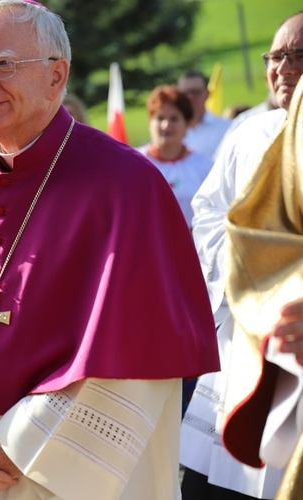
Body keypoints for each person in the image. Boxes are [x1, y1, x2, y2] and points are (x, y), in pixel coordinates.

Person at [0, 1, 219, 499]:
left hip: (64, 470)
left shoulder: (128, 186)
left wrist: (19, 441)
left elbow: (142, 356)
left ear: (57, 75)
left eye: (3, 65)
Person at [180, 11, 303, 499]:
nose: (282, 68)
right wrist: (242, 270)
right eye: (276, 56)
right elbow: (208, 210)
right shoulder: (250, 132)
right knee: (218, 480)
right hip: (242, 337)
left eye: (297, 56)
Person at [137, 85, 213, 227]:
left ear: (188, 124)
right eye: (160, 118)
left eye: (174, 119)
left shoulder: (204, 164)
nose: (166, 125)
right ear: (150, 123)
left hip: (193, 245)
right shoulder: (135, 163)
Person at [178, 70, 231, 159]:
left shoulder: (226, 127)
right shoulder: (171, 130)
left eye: (196, 92)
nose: (190, 97)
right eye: (185, 93)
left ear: (207, 94)